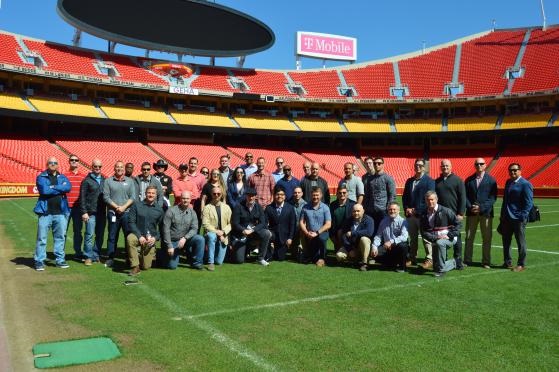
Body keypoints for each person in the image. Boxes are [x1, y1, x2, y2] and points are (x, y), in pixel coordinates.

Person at [33, 157, 71, 271]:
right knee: (42, 238)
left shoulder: (63, 177)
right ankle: (39, 260)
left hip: (60, 212)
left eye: (55, 163)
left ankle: (60, 260)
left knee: (60, 237)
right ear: (47, 164)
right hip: (45, 212)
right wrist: (60, 188)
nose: (53, 164)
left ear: (58, 165)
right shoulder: (41, 177)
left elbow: (67, 187)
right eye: (50, 163)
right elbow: (44, 191)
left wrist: (53, 187)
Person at [158, 191, 205, 270]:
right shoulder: (171, 211)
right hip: (172, 241)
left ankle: (197, 263)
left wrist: (185, 238)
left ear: (190, 200)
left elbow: (194, 228)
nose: (185, 200)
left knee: (200, 239)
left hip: (185, 240)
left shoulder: (192, 212)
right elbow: (165, 230)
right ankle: (161, 254)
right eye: (183, 198)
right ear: (180, 199)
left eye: (187, 198)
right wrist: (169, 246)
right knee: (172, 266)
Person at [464, 158, 497, 268]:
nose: (479, 165)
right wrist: (471, 207)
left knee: (487, 238)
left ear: (485, 165)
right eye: (477, 164)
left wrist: (481, 207)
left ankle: (486, 261)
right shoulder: (469, 180)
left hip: (486, 213)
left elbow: (492, 198)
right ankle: (467, 260)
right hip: (471, 213)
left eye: (481, 164)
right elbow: (465, 197)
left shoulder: (491, 180)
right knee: (469, 237)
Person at [500, 163, 533, 272]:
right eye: (510, 170)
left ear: (520, 171)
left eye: (515, 170)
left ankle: (521, 264)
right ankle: (507, 262)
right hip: (507, 218)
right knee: (506, 241)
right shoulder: (508, 182)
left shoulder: (525, 184)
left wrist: (522, 216)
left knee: (520, 242)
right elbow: (505, 200)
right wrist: (502, 215)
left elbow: (528, 203)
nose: (512, 172)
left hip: (518, 219)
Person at [402, 158, 435, 267]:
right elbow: (405, 197)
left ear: (424, 167)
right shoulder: (409, 181)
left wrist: (416, 209)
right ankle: (412, 257)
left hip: (423, 215)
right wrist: (407, 208)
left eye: (420, 165)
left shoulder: (429, 181)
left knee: (426, 238)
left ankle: (429, 259)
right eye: (416, 165)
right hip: (410, 215)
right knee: (413, 238)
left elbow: (429, 199)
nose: (418, 167)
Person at [420, 191, 461, 277]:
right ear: (425, 201)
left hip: (449, 238)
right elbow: (424, 232)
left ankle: (441, 271)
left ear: (437, 199)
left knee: (440, 243)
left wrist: (449, 235)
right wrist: (435, 237)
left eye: (432, 199)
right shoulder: (424, 213)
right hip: (435, 239)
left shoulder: (446, 211)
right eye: (428, 200)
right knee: (435, 267)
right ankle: (455, 262)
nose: (430, 202)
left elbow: (458, 224)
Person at [126, 186, 165, 275]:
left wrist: (155, 238)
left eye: (153, 193)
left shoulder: (159, 210)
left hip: (150, 239)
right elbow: (131, 222)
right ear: (145, 193)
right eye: (149, 193)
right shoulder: (136, 205)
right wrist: (139, 236)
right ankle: (135, 267)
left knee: (146, 266)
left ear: (156, 195)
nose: (150, 195)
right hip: (137, 235)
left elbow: (162, 228)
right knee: (130, 238)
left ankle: (138, 256)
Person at [103, 161, 135, 267]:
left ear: (124, 169)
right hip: (113, 213)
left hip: (127, 213)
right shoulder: (108, 181)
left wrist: (123, 207)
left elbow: (132, 197)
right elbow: (106, 197)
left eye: (121, 167)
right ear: (114, 168)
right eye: (117, 167)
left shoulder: (130, 181)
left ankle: (128, 257)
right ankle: (111, 258)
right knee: (112, 236)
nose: (119, 169)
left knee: (128, 236)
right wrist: (116, 207)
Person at [435, 159, 466, 269]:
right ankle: (444, 259)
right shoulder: (437, 181)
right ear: (440, 167)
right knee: (442, 236)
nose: (445, 167)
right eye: (443, 166)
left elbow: (463, 198)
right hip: (441, 216)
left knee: (457, 238)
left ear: (451, 167)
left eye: (447, 166)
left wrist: (461, 213)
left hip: (454, 215)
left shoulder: (458, 180)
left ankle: (458, 261)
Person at [231, 187, 272, 265]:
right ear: (246, 196)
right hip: (241, 234)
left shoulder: (258, 207)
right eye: (249, 195)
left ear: (255, 196)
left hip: (253, 233)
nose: (251, 197)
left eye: (253, 195)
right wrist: (243, 230)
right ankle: (244, 251)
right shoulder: (239, 206)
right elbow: (235, 223)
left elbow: (263, 223)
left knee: (266, 233)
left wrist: (252, 230)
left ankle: (261, 259)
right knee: (239, 261)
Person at [79, 158, 106, 266]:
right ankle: (88, 256)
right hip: (90, 213)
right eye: (95, 166)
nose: (98, 168)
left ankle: (95, 255)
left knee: (100, 235)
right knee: (89, 235)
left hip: (102, 212)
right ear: (92, 166)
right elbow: (82, 198)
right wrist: (84, 212)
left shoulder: (105, 180)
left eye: (99, 166)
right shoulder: (86, 180)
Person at [369, 203, 409, 273]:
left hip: (397, 246)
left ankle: (402, 267)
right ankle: (392, 262)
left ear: (399, 211)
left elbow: (404, 237)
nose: (392, 211)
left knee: (403, 245)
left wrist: (391, 242)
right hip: (387, 248)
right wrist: (374, 247)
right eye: (390, 209)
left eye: (394, 209)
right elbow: (378, 236)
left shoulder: (403, 221)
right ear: (387, 211)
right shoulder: (383, 221)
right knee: (374, 253)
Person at [363, 157, 396, 235]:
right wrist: (366, 207)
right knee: (372, 232)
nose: (376, 165)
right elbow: (367, 195)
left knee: (384, 232)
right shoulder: (369, 179)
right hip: (370, 210)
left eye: (379, 163)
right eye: (375, 163)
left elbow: (392, 195)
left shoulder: (388, 178)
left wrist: (389, 209)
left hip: (383, 210)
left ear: (383, 165)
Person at [202, 186, 232, 271]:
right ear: (211, 194)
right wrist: (217, 232)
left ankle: (208, 255)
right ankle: (210, 262)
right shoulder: (207, 208)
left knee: (219, 262)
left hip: (223, 236)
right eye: (214, 194)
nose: (216, 195)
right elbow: (205, 224)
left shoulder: (227, 207)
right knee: (212, 237)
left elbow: (230, 224)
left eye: (218, 194)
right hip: (212, 233)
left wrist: (223, 232)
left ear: (221, 195)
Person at [300, 187, 331, 267]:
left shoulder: (325, 208)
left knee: (321, 238)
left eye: (317, 195)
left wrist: (317, 233)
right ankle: (308, 254)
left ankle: (322, 258)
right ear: (311, 195)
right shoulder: (305, 207)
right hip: (310, 233)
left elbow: (328, 224)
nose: (315, 197)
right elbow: (301, 222)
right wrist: (307, 233)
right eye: (313, 195)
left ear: (321, 195)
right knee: (313, 259)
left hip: (322, 233)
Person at [336, 204, 373, 269]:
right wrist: (350, 249)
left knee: (364, 239)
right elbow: (344, 236)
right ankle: (353, 260)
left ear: (363, 211)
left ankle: (365, 263)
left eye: (358, 211)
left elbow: (369, 232)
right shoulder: (348, 220)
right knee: (339, 256)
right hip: (351, 246)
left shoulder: (369, 220)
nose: (356, 213)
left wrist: (353, 233)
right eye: (354, 211)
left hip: (362, 247)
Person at [64, 154, 87, 260]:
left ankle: (78, 252)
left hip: (78, 208)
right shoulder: (64, 176)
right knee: (63, 231)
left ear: (79, 162)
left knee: (78, 231)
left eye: (76, 160)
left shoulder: (84, 176)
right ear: (69, 161)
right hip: (66, 208)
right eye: (72, 160)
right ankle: (60, 253)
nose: (74, 161)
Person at [265, 187, 297, 261]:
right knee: (266, 235)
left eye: (282, 194)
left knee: (280, 258)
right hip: (273, 235)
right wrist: (267, 232)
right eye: (278, 194)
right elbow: (264, 222)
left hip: (284, 237)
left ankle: (275, 250)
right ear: (274, 195)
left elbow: (293, 224)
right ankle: (269, 252)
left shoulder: (290, 208)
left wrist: (290, 238)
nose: (280, 196)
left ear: (285, 196)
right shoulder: (269, 208)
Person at [329, 186, 355, 253]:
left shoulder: (353, 204)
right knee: (338, 254)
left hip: (348, 232)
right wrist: (332, 235)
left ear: (347, 193)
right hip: (335, 231)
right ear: (337, 194)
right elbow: (330, 220)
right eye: (340, 193)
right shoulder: (332, 205)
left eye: (344, 192)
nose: (342, 194)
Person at [289, 186, 307, 261]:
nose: (297, 194)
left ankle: (304, 251)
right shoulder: (289, 204)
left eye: (299, 192)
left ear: (302, 194)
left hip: (302, 228)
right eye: (295, 193)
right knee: (293, 255)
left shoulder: (306, 205)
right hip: (292, 228)